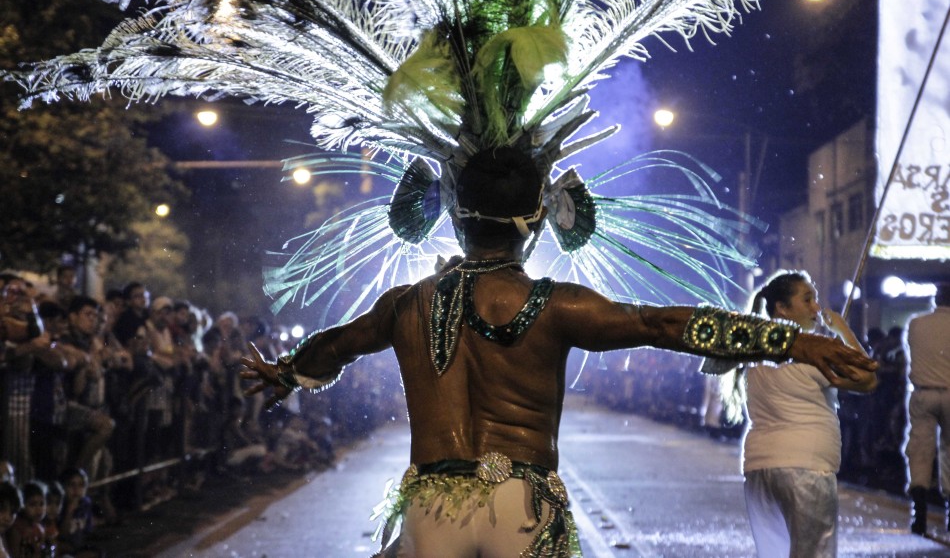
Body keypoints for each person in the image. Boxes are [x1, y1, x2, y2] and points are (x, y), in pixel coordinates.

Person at [242, 148, 878, 557]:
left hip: (431, 508)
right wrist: (792, 341)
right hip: (523, 506)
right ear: (539, 220)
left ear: (455, 221)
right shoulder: (557, 304)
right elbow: (664, 324)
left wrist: (288, 371)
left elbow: (335, 346)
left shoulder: (404, 305)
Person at [739, 271, 876, 558]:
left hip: (759, 469)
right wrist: (842, 329)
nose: (816, 307)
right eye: (807, 299)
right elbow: (868, 377)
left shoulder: (753, 350)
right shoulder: (812, 351)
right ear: (782, 308)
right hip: (805, 469)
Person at [903, 282, 950, 536]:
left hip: (924, 392)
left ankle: (918, 514)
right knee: (949, 451)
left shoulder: (917, 323)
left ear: (936, 300)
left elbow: (913, 350)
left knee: (920, 450)